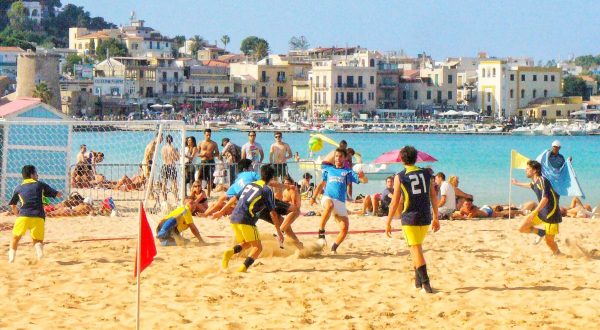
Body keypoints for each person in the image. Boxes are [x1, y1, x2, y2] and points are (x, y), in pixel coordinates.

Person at [385, 146, 439, 294]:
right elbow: (433, 196)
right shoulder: (427, 173)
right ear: (416, 158)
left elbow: (395, 201)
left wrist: (388, 221)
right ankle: (418, 283)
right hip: (425, 216)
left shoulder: (400, 176)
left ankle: (426, 285)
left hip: (410, 216)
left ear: (401, 159)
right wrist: (436, 217)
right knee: (416, 248)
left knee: (415, 249)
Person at [221, 165, 284, 272]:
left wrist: (221, 211)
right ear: (272, 178)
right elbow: (273, 213)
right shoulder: (267, 190)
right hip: (246, 220)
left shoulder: (250, 184)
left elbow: (234, 198)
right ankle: (242, 268)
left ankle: (229, 253)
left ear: (261, 174)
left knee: (248, 243)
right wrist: (279, 231)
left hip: (234, 218)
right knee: (258, 247)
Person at [311, 148, 368, 254]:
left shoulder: (348, 172)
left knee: (345, 228)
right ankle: (321, 232)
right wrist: (313, 198)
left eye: (340, 156)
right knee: (329, 205)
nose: (337, 158)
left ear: (345, 158)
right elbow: (321, 184)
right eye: (336, 156)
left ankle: (333, 248)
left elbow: (364, 181)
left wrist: (363, 177)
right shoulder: (328, 169)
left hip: (340, 202)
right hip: (328, 198)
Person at [8, 165, 63, 263]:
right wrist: (60, 193)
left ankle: (11, 258)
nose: (37, 175)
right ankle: (40, 254)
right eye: (36, 173)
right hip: (38, 216)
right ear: (32, 175)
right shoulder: (40, 185)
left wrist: (18, 215)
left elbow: (13, 205)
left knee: (15, 238)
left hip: (23, 216)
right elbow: (57, 194)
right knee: (37, 240)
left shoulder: (18, 188)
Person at [511, 160, 562, 255]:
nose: (525, 170)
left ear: (535, 171)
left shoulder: (542, 180)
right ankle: (541, 232)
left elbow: (545, 198)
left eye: (528, 169)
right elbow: (531, 185)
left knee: (549, 241)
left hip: (551, 215)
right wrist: (516, 183)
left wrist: (534, 212)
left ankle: (558, 253)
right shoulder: (535, 182)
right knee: (522, 228)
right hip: (542, 211)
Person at [198, 129, 220, 197]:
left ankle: (208, 194)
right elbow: (197, 154)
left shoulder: (214, 143)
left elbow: (217, 153)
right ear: (204, 135)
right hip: (203, 161)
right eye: (207, 135)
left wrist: (211, 155)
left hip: (211, 161)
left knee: (210, 178)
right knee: (200, 177)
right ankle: (200, 192)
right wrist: (203, 154)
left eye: (209, 135)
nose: (208, 136)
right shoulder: (200, 143)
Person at [161, 134, 180, 199]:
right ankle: (176, 198)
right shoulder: (173, 148)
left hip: (164, 165)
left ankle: (164, 199)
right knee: (174, 183)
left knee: (164, 183)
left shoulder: (163, 148)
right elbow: (177, 158)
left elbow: (163, 157)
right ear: (172, 140)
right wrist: (177, 152)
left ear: (166, 140)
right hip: (171, 165)